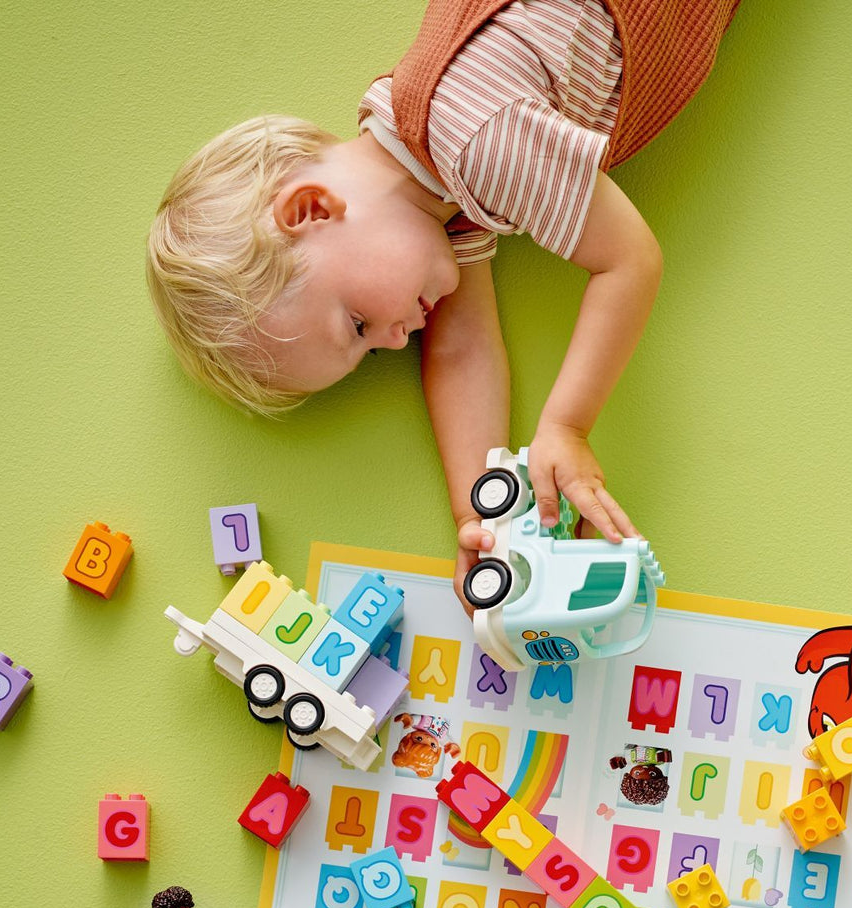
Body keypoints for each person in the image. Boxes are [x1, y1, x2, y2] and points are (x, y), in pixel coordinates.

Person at [148, 1, 740, 609]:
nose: (396, 340)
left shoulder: (475, 142)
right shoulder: (433, 186)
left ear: (312, 210)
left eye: (358, 324)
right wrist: (481, 516)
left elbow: (628, 260)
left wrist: (567, 427)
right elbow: (460, 347)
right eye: (371, 350)